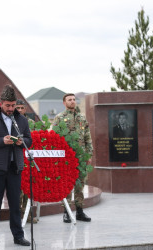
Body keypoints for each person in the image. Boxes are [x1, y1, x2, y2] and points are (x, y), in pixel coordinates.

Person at [0, 85, 32, 248]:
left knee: (15, 204)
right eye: (8, 105)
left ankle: (18, 235)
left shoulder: (22, 120)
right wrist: (2, 141)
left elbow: (29, 141)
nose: (11, 109)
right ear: (1, 103)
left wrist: (20, 142)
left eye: (13, 105)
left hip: (15, 166)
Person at [52, 93, 93, 223]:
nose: (72, 101)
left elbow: (87, 137)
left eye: (74, 100)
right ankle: (67, 212)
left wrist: (89, 154)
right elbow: (54, 138)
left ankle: (80, 211)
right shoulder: (59, 118)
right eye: (69, 100)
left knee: (80, 184)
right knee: (67, 184)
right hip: (66, 157)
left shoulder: (82, 118)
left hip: (80, 156)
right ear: (64, 103)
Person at [15, 99, 38, 224]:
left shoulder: (31, 123)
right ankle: (18, 214)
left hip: (29, 158)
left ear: (25, 109)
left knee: (28, 188)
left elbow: (35, 140)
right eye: (17, 108)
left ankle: (28, 213)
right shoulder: (11, 121)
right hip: (17, 158)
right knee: (18, 189)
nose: (19, 110)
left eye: (21, 108)